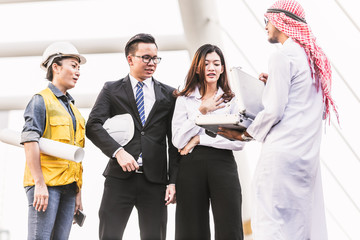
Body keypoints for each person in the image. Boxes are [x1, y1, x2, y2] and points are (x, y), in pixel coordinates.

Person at [218, 0, 338, 239]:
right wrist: (271, 83)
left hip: (280, 156)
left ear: (282, 21)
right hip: (306, 159)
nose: (265, 27)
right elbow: (302, 104)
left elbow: (274, 111)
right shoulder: (313, 61)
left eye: (267, 21)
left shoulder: (282, 56)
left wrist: (245, 134)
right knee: (299, 227)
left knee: (270, 222)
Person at [86, 33, 179, 240]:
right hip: (119, 178)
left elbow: (174, 142)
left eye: (155, 58)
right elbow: (92, 125)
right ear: (130, 59)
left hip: (155, 182)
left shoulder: (170, 94)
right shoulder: (112, 89)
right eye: (146, 57)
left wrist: (173, 181)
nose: (152, 63)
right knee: (109, 235)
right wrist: (118, 152)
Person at [172, 44, 245, 240]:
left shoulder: (232, 100)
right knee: (190, 229)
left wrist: (198, 139)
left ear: (222, 68)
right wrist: (201, 111)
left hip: (223, 165)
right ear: (197, 68)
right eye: (206, 64)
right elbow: (178, 140)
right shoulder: (184, 99)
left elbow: (238, 142)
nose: (211, 68)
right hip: (191, 167)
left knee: (230, 227)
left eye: (216, 63)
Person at [21, 41, 87, 240]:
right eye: (73, 66)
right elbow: (30, 143)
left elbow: (76, 157)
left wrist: (78, 192)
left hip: (69, 188)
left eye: (79, 68)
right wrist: (39, 184)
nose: (78, 72)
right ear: (56, 67)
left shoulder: (74, 111)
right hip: (46, 186)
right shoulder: (40, 100)